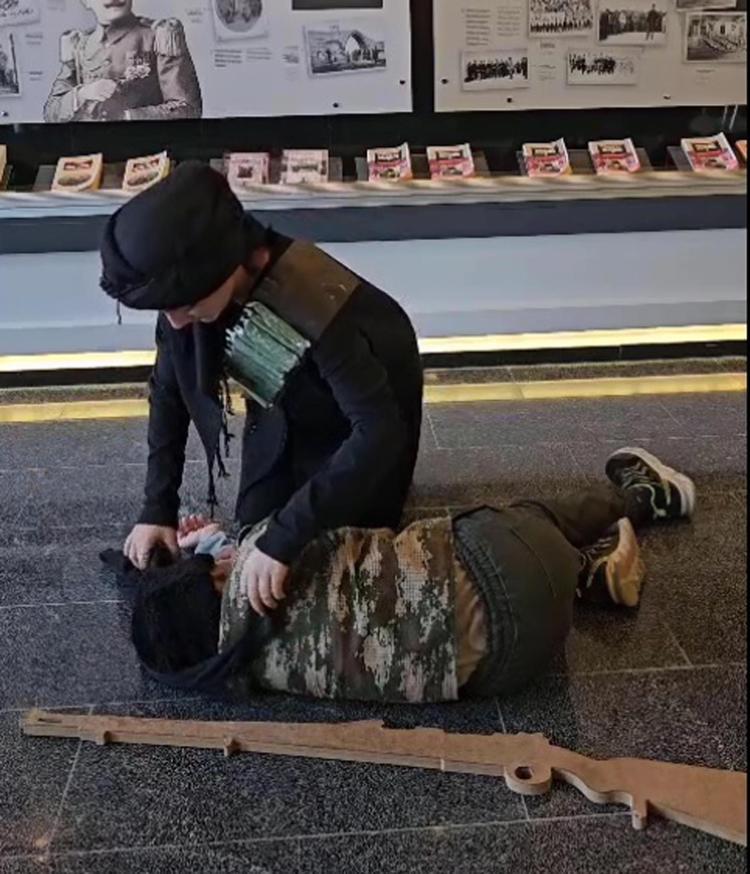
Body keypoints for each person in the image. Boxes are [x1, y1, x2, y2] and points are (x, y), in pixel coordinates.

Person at [104, 447, 696, 703]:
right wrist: (211, 542)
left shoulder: (248, 674)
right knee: (529, 517)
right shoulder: (263, 550)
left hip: (510, 670)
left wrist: (208, 553)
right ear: (211, 581)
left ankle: (587, 575)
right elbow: (321, 514)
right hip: (508, 567)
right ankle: (648, 497)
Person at [99, 161, 424, 617]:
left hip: (368, 414)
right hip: (284, 396)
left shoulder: (310, 298)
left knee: (309, 565)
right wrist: (157, 507)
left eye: (186, 305)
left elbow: (379, 430)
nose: (175, 321)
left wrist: (285, 537)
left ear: (223, 268)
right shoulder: (191, 285)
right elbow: (168, 392)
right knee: (253, 537)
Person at [44, 0, 202, 123]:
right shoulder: (79, 46)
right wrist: (82, 93)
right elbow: (51, 112)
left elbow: (188, 109)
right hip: (90, 149)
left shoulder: (158, 36)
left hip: (144, 149)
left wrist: (126, 116)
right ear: (86, 1)